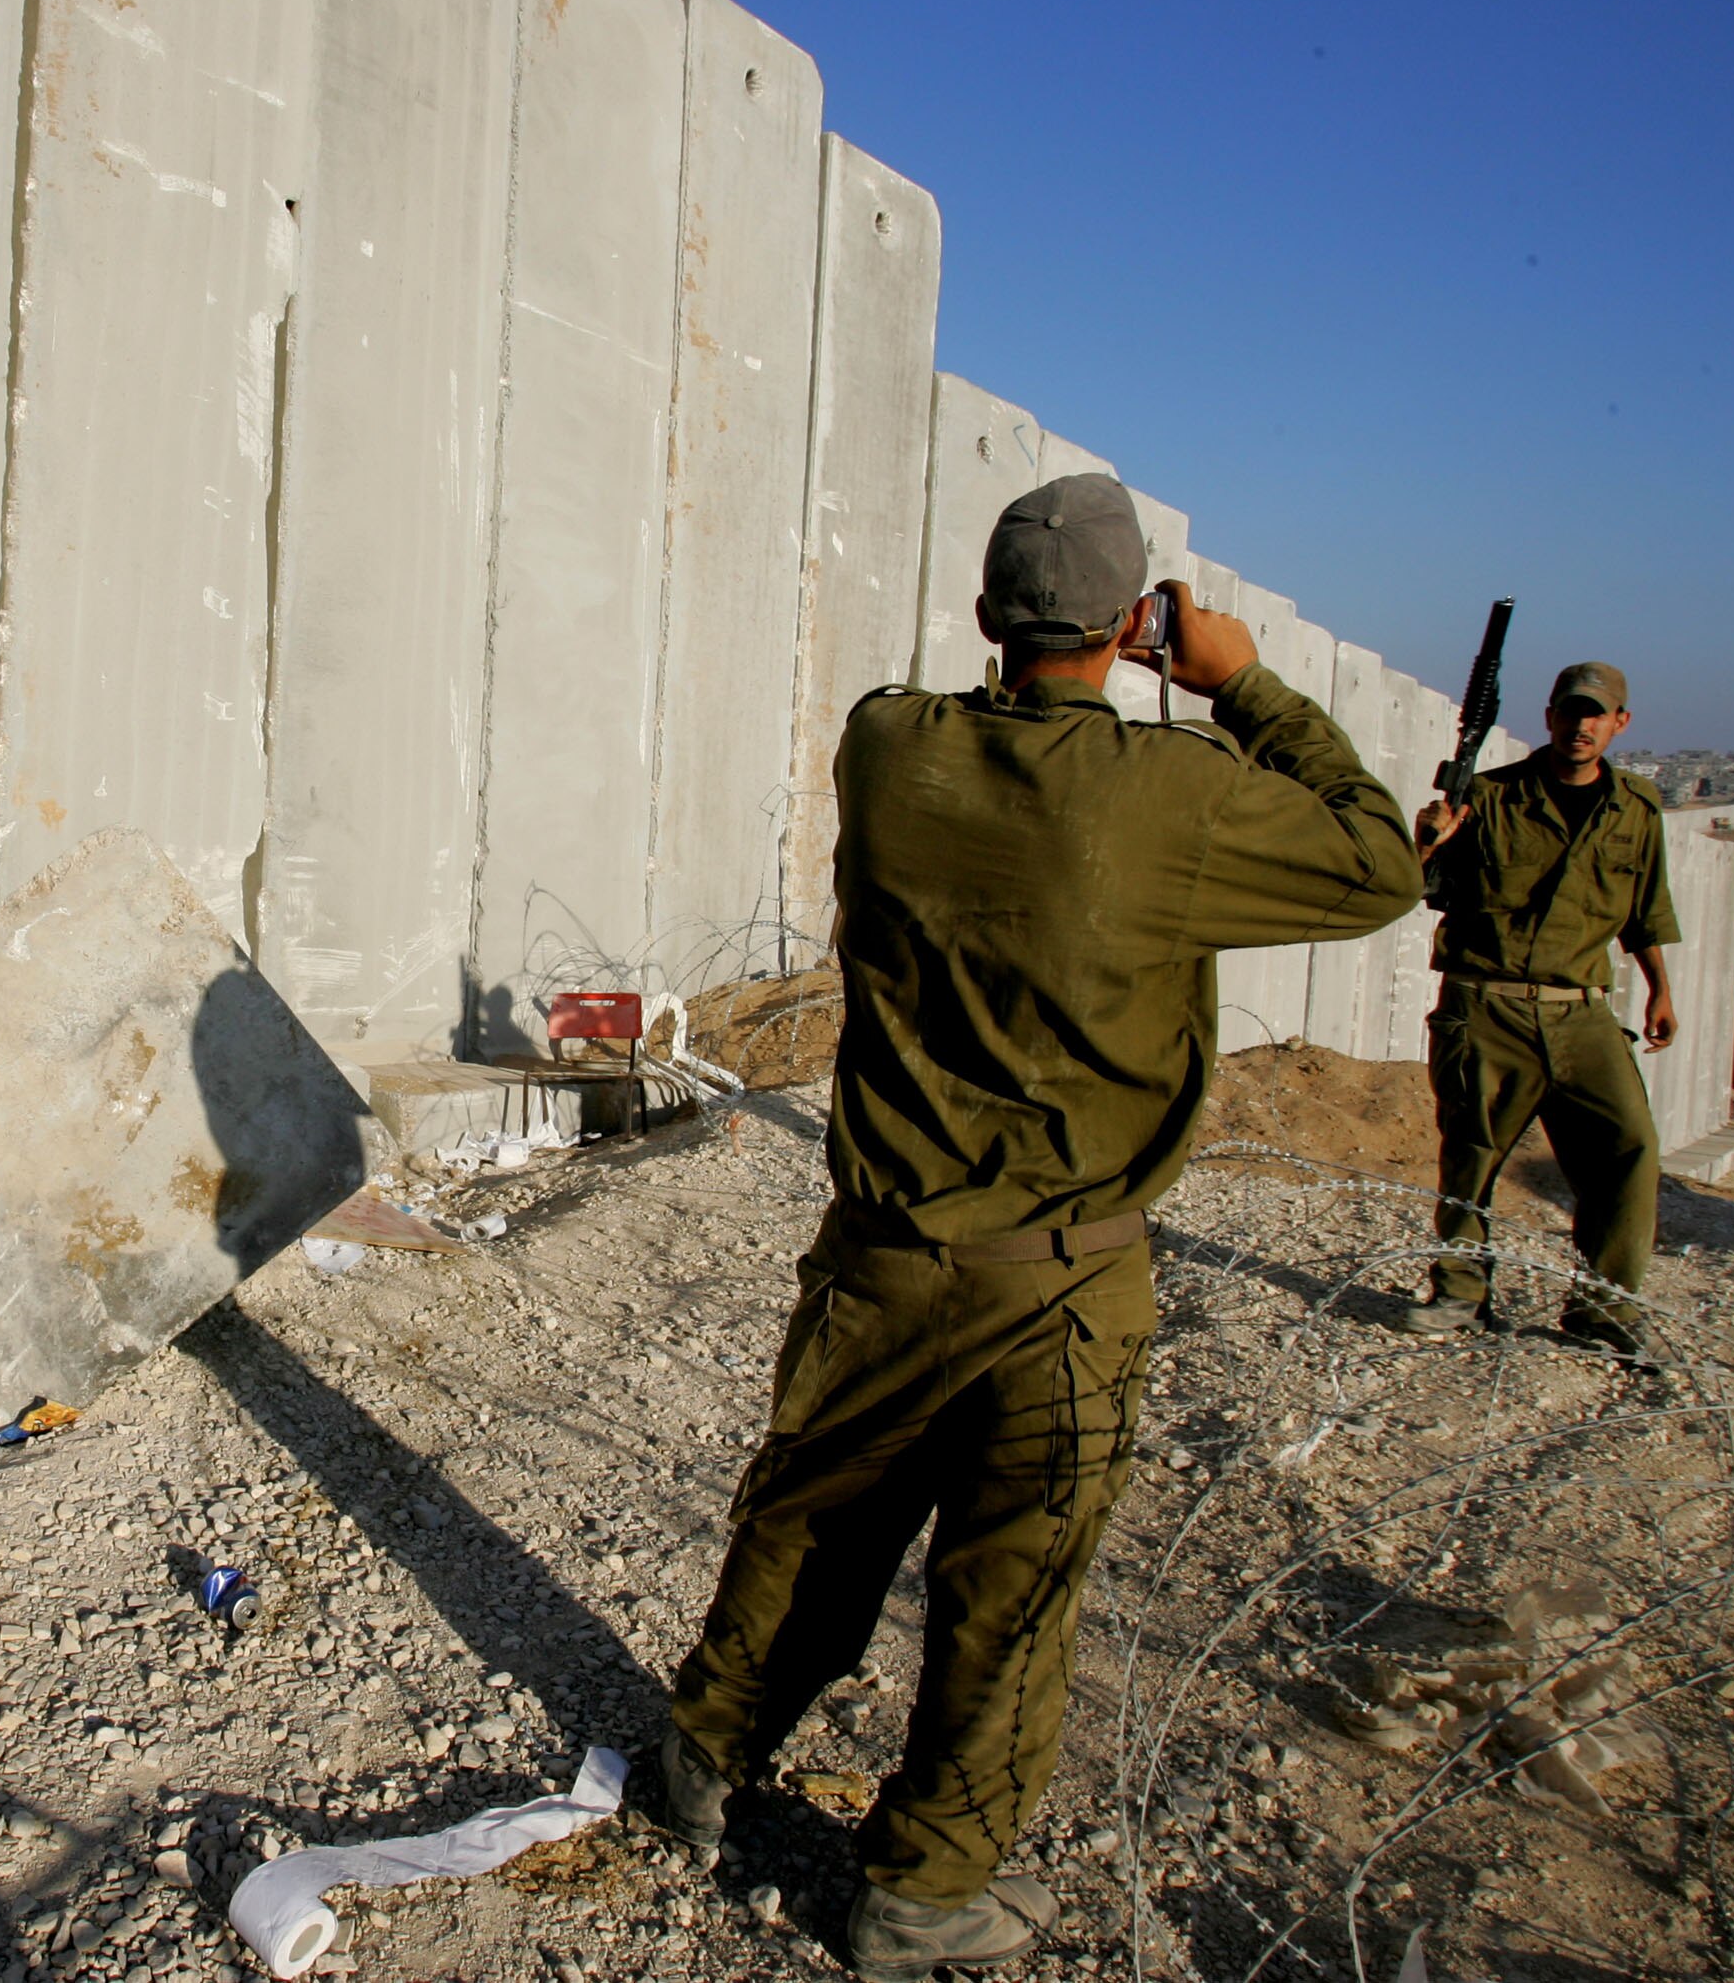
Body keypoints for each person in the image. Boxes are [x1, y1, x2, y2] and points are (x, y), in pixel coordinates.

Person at [653, 472, 1422, 1978]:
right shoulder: (1176, 794)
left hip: (882, 1253)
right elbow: (1382, 863)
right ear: (1133, 622)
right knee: (1009, 1594)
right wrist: (1241, 684)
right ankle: (922, 1889)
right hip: (1063, 1284)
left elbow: (971, 734)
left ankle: (698, 1760)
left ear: (992, 617)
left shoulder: (890, 750)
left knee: (810, 1525)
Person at [1407, 661, 1676, 1354]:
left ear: (1621, 722)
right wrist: (1429, 838)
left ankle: (1605, 1310)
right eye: (1569, 710)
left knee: (1631, 1150)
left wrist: (1661, 990)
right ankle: (1461, 1294)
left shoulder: (1637, 811)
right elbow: (1428, 886)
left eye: (1597, 714)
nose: (1581, 725)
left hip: (1582, 1011)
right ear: (1549, 716)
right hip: (1488, 1004)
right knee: (1473, 1156)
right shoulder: (1491, 798)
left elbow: (1644, 915)